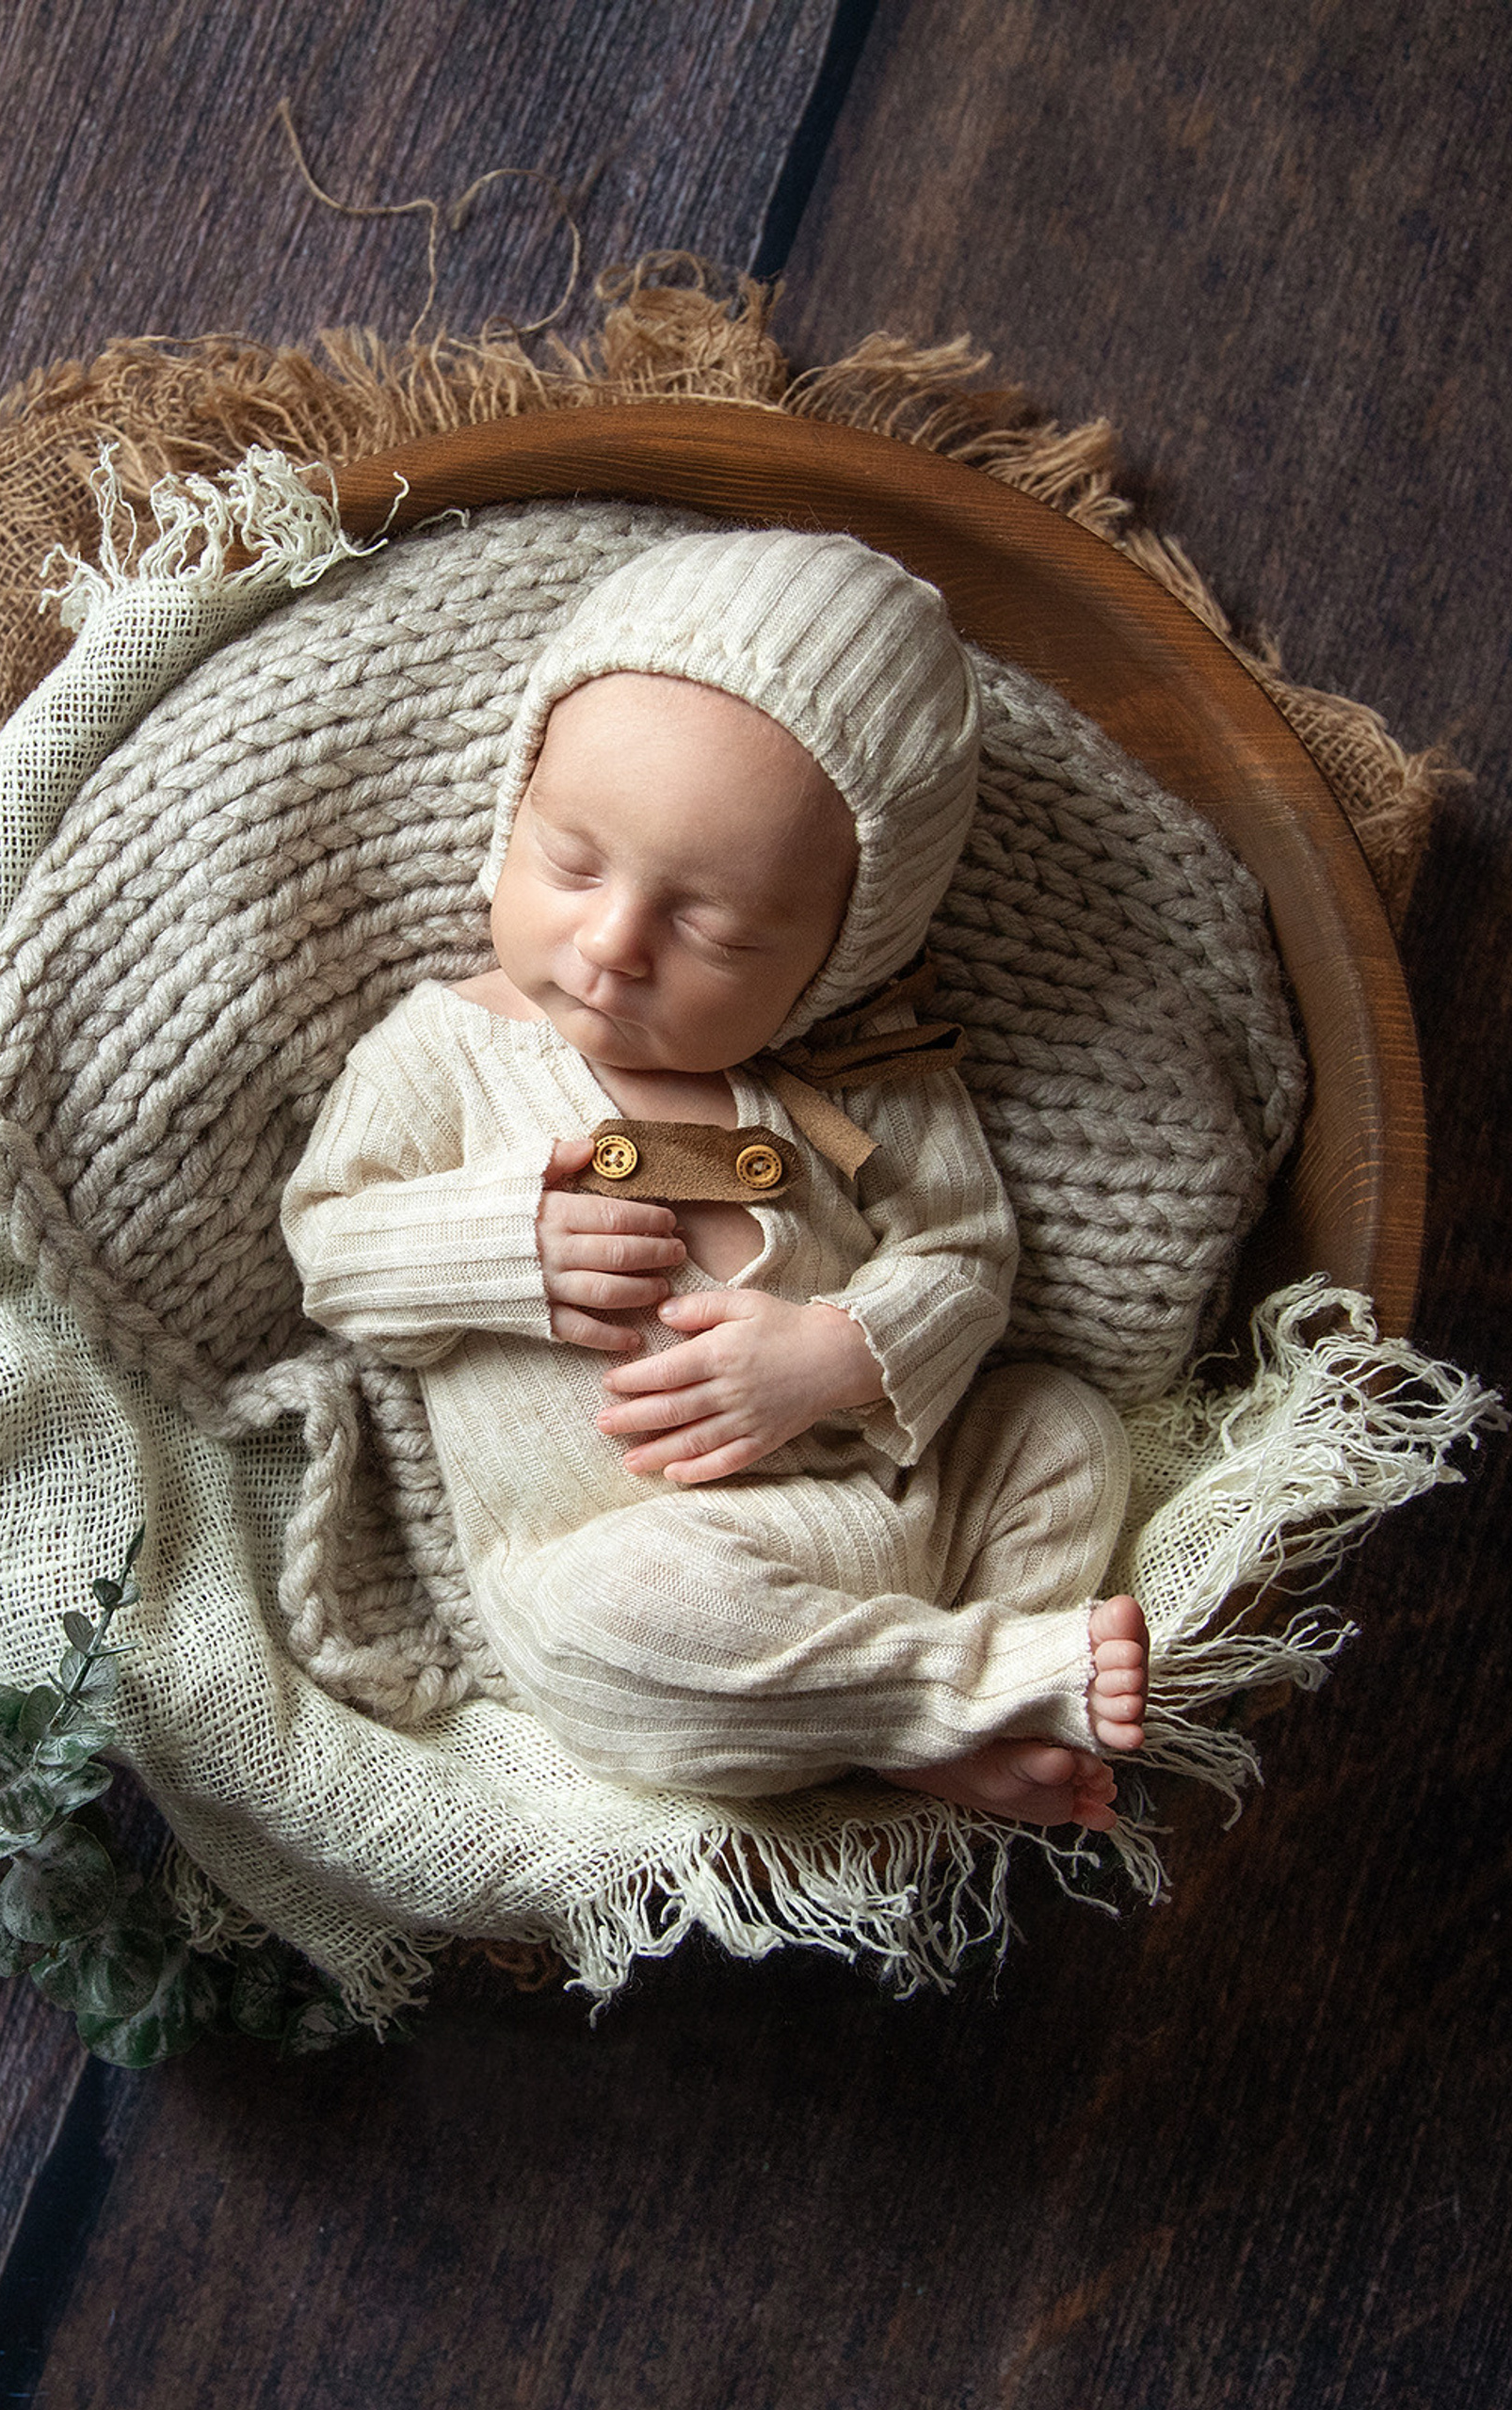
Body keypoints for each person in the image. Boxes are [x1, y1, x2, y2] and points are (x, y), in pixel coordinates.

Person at [281, 528, 1149, 1831]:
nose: (612, 943)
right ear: (515, 804)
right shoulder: (447, 1052)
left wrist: (840, 1351)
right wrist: (499, 1243)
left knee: (1064, 1433)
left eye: (717, 929)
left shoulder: (871, 1077)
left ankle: (905, 1708)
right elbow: (330, 1245)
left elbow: (968, 1261)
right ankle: (965, 1690)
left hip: (896, 1513)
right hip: (638, 1565)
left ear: (840, 953)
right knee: (600, 1638)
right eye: (571, 862)